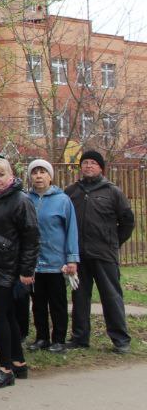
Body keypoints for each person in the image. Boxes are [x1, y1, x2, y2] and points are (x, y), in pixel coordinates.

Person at [0, 157, 40, 388]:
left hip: (10, 269)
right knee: (9, 315)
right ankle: (18, 362)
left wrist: (26, 270)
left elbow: (31, 238)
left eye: (1, 175)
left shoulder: (21, 201)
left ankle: (5, 369)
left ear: (10, 175)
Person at [66, 149, 135, 354]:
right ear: (81, 167)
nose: (88, 166)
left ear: (101, 168)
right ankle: (80, 338)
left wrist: (113, 242)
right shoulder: (71, 192)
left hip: (105, 254)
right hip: (79, 256)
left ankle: (120, 340)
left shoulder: (113, 191)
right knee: (79, 297)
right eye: (85, 163)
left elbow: (127, 222)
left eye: (93, 163)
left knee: (111, 296)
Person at [24, 159, 79, 353]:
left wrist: (71, 258)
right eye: (35, 172)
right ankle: (42, 337)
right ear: (30, 176)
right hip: (34, 263)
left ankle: (59, 339)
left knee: (57, 303)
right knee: (38, 303)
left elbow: (71, 229)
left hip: (56, 263)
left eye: (42, 172)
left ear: (50, 176)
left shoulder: (62, 200)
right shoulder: (25, 199)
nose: (38, 176)